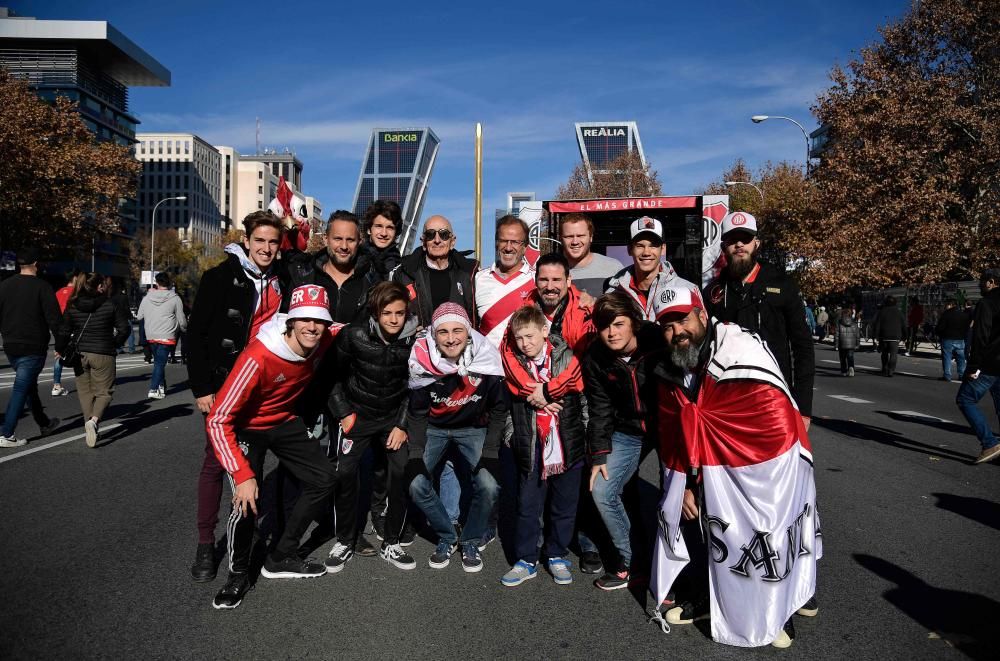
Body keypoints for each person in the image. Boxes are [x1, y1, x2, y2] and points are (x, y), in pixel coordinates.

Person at [649, 283, 820, 649]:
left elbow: (772, 418)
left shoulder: (740, 349)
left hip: (767, 466)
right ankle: (711, 599)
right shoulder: (667, 366)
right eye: (667, 325)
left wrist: (749, 476)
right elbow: (674, 432)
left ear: (700, 314)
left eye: (682, 320)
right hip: (710, 466)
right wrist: (686, 484)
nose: (677, 332)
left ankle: (780, 610)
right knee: (714, 531)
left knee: (770, 530)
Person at [206, 284, 341, 609]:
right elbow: (217, 419)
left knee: (324, 478)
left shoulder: (324, 337)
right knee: (247, 499)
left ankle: (282, 555)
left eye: (319, 320)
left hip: (284, 421)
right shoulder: (259, 355)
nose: (312, 327)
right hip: (246, 427)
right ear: (290, 321)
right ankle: (237, 574)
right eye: (305, 319)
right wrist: (242, 474)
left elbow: (360, 327)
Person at [186, 211, 284, 583]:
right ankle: (204, 543)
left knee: (257, 462)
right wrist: (202, 389)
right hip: (224, 386)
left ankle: (249, 531)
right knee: (215, 464)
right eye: (259, 240)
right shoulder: (218, 277)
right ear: (246, 241)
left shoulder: (282, 278)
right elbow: (195, 337)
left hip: (265, 388)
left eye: (273, 242)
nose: (266, 248)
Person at [323, 282, 420, 572]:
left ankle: (392, 542)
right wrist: (344, 413)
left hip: (393, 418)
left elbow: (414, 386)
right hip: (358, 414)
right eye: (386, 313)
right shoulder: (353, 335)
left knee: (402, 471)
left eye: (399, 313)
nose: (393, 319)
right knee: (345, 474)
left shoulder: (414, 341)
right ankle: (344, 540)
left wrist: (402, 424)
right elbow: (330, 376)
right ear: (375, 313)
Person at [406, 303, 506, 572]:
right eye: (443, 332)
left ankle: (471, 539)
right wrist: (415, 454)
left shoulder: (486, 356)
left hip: (473, 427)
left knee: (489, 485)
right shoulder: (421, 358)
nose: (451, 338)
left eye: (458, 330)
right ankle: (447, 535)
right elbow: (416, 413)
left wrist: (491, 451)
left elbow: (498, 408)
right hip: (433, 428)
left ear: (469, 332)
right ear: (433, 335)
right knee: (416, 484)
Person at [581, 292, 665, 589]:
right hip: (628, 430)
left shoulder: (657, 339)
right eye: (604, 326)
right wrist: (600, 454)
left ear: (634, 322)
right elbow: (600, 408)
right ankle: (633, 563)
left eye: (618, 324)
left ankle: (683, 567)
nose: (612, 332)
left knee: (678, 499)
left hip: (667, 427)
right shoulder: (595, 357)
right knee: (602, 490)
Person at [500, 306, 586, 587]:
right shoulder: (514, 364)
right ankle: (526, 559)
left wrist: (582, 432)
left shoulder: (566, 357)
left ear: (544, 332)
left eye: (530, 336)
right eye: (520, 338)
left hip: (566, 442)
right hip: (532, 444)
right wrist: (512, 437)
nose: (525, 343)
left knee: (564, 504)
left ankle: (557, 554)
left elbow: (581, 399)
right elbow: (509, 406)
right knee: (527, 505)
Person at [703, 211, 815, 424]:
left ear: (756, 244)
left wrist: (803, 408)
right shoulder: (712, 291)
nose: (739, 246)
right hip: (727, 400)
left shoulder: (783, 284)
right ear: (723, 247)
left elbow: (803, 347)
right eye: (732, 240)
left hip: (774, 397)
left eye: (745, 239)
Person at [54, 272, 130, 448]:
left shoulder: (73, 304)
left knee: (85, 392)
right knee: (105, 392)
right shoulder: (110, 304)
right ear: (98, 287)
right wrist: (114, 344)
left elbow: (64, 330)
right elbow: (124, 329)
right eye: (103, 284)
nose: (105, 287)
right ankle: (94, 421)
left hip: (79, 354)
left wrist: (60, 348)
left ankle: (89, 423)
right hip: (103, 352)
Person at [0, 247, 62, 447]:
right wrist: (61, 344)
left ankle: (44, 423)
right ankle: (6, 433)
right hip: (33, 346)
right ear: (36, 264)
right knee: (21, 388)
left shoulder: (4, 286)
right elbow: (54, 320)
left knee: (28, 386)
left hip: (10, 345)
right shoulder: (43, 287)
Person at [284, 209, 377, 325]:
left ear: (359, 242)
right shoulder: (303, 278)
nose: (344, 246)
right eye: (338, 239)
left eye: (350, 240)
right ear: (325, 239)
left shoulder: (372, 281)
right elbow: (287, 323)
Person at [391, 215, 478, 328]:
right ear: (423, 242)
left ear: (452, 242)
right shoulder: (403, 274)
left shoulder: (471, 273)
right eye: (430, 235)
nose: (437, 240)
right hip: (419, 344)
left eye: (444, 234)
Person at [605, 216, 697, 321]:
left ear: (663, 249)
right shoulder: (613, 294)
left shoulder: (688, 290)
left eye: (653, 246)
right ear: (630, 249)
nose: (646, 252)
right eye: (640, 246)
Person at [956, 269, 1000, 464]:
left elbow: (981, 336)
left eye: (982, 282)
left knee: (965, 399)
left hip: (990, 363)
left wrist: (973, 366)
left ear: (991, 282)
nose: (980, 286)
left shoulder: (987, 303)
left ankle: (989, 442)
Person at [475, 215, 535, 348]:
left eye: (515, 242)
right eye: (503, 241)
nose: (508, 247)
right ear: (497, 243)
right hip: (487, 365)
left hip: (523, 365)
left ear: (525, 247)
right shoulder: (478, 279)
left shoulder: (537, 279)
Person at [137, 272, 187, 400]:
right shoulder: (175, 298)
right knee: (160, 363)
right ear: (169, 283)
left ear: (156, 283)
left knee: (159, 362)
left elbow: (139, 316)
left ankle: (161, 387)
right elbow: (181, 319)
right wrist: (184, 328)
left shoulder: (147, 297)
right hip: (167, 334)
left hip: (151, 334)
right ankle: (153, 388)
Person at [559, 213, 624, 298]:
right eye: (569, 236)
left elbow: (625, 305)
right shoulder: (551, 272)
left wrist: (594, 302)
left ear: (591, 237)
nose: (575, 242)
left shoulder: (614, 268)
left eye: (580, 236)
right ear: (561, 239)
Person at [51, 271, 84, 397]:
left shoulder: (58, 292)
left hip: (59, 328)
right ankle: (82, 381)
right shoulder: (76, 293)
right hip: (73, 326)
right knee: (77, 352)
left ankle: (56, 384)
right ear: (75, 278)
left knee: (60, 353)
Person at [361, 199, 403, 281]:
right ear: (369, 229)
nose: (384, 233)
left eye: (390, 228)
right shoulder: (354, 258)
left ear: (396, 232)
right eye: (379, 226)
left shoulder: (401, 267)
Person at [935, 298, 971, 382]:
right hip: (960, 339)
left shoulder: (946, 314)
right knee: (961, 358)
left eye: (946, 304)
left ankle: (947, 375)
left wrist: (939, 333)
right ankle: (962, 375)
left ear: (950, 305)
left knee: (947, 357)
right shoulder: (963, 314)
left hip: (947, 339)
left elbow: (940, 327)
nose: (945, 306)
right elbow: (967, 328)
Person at [872, 295, 905, 377]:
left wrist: (875, 336)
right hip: (895, 336)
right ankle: (891, 370)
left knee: (884, 353)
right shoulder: (899, 312)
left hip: (884, 335)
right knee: (894, 354)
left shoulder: (882, 311)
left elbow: (877, 325)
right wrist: (905, 336)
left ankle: (885, 368)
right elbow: (904, 325)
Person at [834, 307, 860, 376]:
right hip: (851, 343)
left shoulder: (839, 322)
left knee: (842, 358)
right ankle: (851, 367)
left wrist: (836, 345)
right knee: (850, 356)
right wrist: (857, 344)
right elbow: (857, 334)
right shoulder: (854, 323)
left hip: (842, 343)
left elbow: (837, 335)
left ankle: (844, 371)